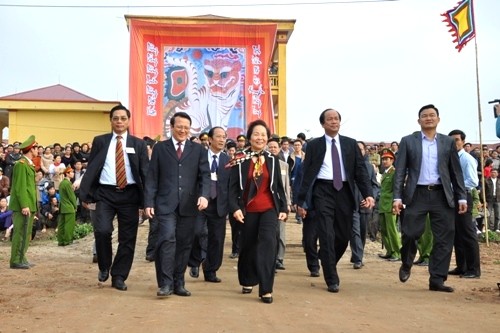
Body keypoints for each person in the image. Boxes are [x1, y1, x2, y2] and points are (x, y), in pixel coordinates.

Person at [296, 108, 374, 293]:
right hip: (323, 191)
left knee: (343, 235)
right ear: (323, 123)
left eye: (336, 118)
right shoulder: (314, 145)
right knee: (326, 234)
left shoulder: (350, 144)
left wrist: (368, 194)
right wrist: (301, 201)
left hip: (345, 191)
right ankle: (332, 278)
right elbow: (306, 174)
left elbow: (360, 171)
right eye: (329, 119)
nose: (333, 121)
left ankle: (327, 258)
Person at [393, 104, 467, 293]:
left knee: (444, 237)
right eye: (424, 116)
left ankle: (437, 279)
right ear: (419, 121)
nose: (428, 118)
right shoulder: (408, 141)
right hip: (416, 194)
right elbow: (400, 171)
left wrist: (461, 198)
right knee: (410, 233)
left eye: (432, 115)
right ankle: (407, 262)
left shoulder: (447, 142)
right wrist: (397, 197)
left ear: (438, 119)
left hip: (442, 195)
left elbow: (455, 172)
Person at [79, 104, 149, 291]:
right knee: (102, 231)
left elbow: (145, 173)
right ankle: (104, 265)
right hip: (105, 194)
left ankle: (119, 276)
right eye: (116, 118)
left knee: (127, 239)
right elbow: (92, 168)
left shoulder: (138, 144)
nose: (119, 121)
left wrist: (147, 201)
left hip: (130, 195)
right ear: (111, 121)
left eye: (123, 118)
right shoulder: (100, 141)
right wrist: (85, 194)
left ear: (128, 120)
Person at [144, 111, 210, 298]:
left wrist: (204, 195)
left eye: (186, 128)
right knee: (166, 239)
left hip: (189, 205)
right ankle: (165, 283)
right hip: (164, 204)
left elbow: (204, 176)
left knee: (184, 243)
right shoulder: (160, 148)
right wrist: (148, 202)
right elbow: (152, 177)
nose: (183, 130)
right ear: (172, 127)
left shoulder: (198, 150)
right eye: (179, 127)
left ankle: (178, 282)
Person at [227, 120, 287, 304]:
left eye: (263, 135)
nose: (260, 138)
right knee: (249, 246)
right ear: (249, 137)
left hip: (269, 208)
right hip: (247, 210)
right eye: (256, 134)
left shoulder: (273, 160)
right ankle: (247, 279)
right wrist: (235, 208)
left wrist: (283, 207)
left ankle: (266, 288)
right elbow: (231, 189)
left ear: (267, 138)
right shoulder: (239, 159)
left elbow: (278, 187)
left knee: (268, 245)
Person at [188, 126, 231, 283]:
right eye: (218, 136)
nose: (221, 139)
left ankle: (210, 269)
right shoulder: (199, 156)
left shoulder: (228, 160)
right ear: (210, 139)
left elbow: (231, 185)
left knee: (217, 239)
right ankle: (195, 261)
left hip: (219, 204)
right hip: (200, 202)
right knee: (196, 232)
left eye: (224, 137)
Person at [447, 129, 481, 279]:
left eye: (456, 140)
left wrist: (453, 186)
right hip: (451, 198)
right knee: (457, 234)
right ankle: (462, 266)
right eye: (451, 140)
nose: (454, 143)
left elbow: (473, 181)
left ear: (462, 141)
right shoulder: (449, 157)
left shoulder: (466, 159)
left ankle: (474, 269)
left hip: (463, 196)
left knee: (467, 233)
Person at [9, 135, 38, 269]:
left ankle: (22, 257)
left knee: (26, 233)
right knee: (20, 232)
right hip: (23, 206)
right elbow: (20, 187)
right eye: (36, 148)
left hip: (29, 205)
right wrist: (24, 205)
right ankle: (16, 260)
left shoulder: (27, 165)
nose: (37, 151)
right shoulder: (21, 165)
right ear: (31, 149)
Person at [267, 137, 291, 270]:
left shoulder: (284, 165)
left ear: (279, 148)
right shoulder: (262, 163)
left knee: (281, 232)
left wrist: (287, 203)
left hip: (281, 204)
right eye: (270, 147)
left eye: (275, 147)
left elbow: (286, 185)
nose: (272, 149)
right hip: (268, 203)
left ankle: (279, 258)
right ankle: (269, 258)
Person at [377, 148, 401, 261]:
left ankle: (397, 252)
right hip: (383, 205)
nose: (385, 161)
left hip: (390, 205)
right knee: (384, 230)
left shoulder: (394, 173)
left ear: (392, 160)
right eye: (383, 159)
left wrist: (395, 204)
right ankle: (389, 251)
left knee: (392, 230)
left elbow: (396, 189)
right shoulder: (385, 173)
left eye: (387, 159)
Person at [57, 166, 77, 246]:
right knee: (69, 225)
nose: (73, 173)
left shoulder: (62, 183)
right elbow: (71, 196)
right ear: (67, 174)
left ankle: (60, 240)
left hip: (62, 207)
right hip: (69, 207)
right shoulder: (68, 183)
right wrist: (75, 206)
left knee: (61, 224)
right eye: (71, 172)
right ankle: (67, 240)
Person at [484, 168, 500, 232]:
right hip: (489, 200)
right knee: (488, 214)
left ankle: (496, 228)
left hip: (497, 199)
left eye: (495, 172)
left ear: (497, 174)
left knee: (498, 215)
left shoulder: (499, 181)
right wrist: (484, 200)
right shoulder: (486, 181)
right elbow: (483, 191)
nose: (493, 173)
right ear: (490, 173)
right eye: (492, 172)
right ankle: (487, 228)